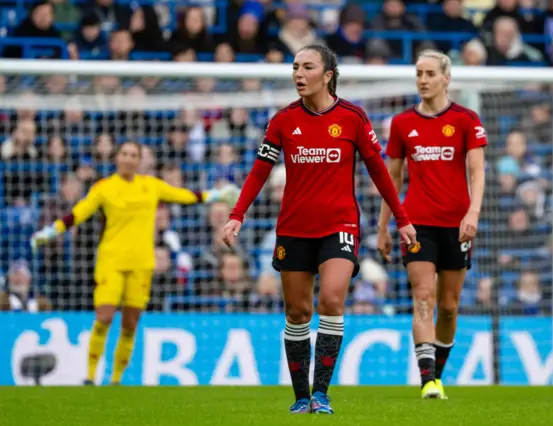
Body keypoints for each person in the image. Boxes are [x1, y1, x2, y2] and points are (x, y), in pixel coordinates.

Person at [222, 44, 416, 414]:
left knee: (330, 299)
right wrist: (237, 213)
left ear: (327, 75)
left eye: (307, 67)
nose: (298, 74)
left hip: (339, 226)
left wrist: (402, 218)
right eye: (295, 67)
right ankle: (299, 397)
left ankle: (321, 394)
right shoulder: (282, 120)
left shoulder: (353, 118)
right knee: (296, 313)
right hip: (294, 229)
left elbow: (379, 171)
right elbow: (260, 171)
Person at [31, 141, 237, 385]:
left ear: (139, 161)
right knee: (104, 316)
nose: (128, 158)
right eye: (124, 153)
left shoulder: (150, 186)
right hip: (111, 261)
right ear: (117, 158)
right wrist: (51, 231)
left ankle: (116, 379)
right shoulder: (104, 188)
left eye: (133, 155)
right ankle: (89, 375)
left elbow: (185, 196)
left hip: (141, 263)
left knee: (130, 323)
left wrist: (217, 194)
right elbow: (79, 212)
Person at [377, 49, 487, 400]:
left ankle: (437, 375)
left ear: (446, 78)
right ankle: (427, 380)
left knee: (450, 305)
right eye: (418, 74)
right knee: (423, 296)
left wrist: (473, 213)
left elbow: (477, 171)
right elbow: (390, 179)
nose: (422, 80)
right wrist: (383, 226)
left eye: (429, 74)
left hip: (457, 226)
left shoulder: (467, 119)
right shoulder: (402, 124)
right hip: (416, 223)